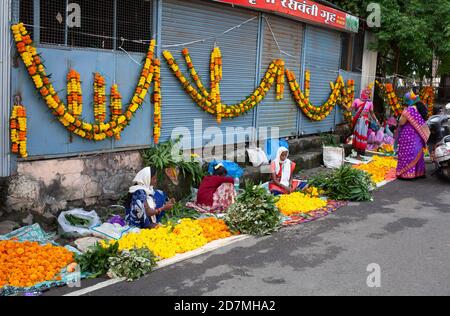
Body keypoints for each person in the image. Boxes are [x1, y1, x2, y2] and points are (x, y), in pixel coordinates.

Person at [396, 92, 431, 180]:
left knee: (408, 153)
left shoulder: (410, 109)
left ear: (408, 100)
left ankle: (407, 174)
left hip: (409, 135)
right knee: (418, 153)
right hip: (418, 134)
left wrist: (403, 113)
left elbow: (401, 122)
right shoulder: (421, 107)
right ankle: (419, 173)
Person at [352, 85, 380, 160]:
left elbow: (372, 113)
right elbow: (350, 109)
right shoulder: (357, 101)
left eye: (368, 94)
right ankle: (357, 154)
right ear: (363, 92)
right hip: (358, 121)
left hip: (365, 123)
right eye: (366, 93)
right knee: (358, 136)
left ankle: (360, 154)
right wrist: (343, 104)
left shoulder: (370, 103)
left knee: (363, 137)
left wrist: (376, 121)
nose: (367, 95)